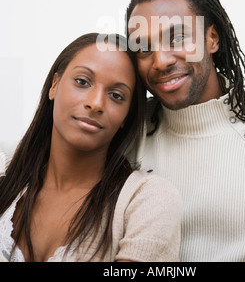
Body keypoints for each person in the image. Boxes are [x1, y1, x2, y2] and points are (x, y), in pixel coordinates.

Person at [126, 0, 245, 262]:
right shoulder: (126, 134)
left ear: (212, 39)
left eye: (178, 37)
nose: (161, 61)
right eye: (144, 48)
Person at [0, 33, 182, 262]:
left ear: (127, 115)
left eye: (117, 95)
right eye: (82, 82)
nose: (95, 103)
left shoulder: (147, 201)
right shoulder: (7, 185)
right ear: (54, 86)